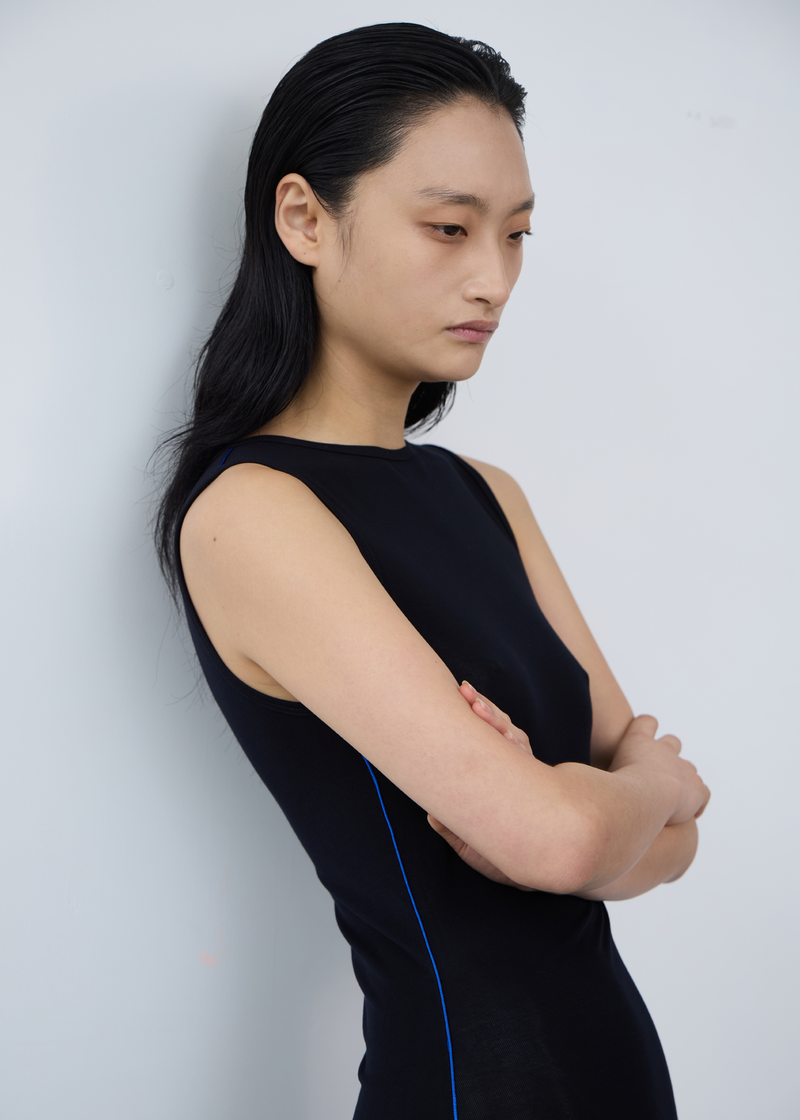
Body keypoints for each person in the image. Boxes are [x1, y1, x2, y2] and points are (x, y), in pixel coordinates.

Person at [154, 22, 710, 1119]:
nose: (493, 278)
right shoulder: (253, 512)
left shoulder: (486, 494)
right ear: (304, 219)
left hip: (622, 1080)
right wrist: (642, 790)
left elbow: (667, 848)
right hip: (468, 1086)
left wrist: (592, 818)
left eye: (516, 235)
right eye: (449, 228)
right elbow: (575, 836)